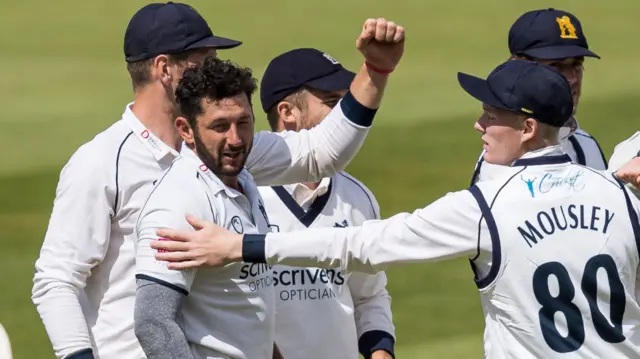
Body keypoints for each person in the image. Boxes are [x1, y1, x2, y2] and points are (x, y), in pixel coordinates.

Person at [150, 60, 640, 359]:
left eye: (492, 114)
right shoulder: (621, 194)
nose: (479, 124)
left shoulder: (486, 207)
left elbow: (365, 244)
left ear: (528, 128)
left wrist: (244, 246)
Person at [30, 2, 392, 358]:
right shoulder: (102, 161)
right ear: (164, 68)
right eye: (203, 60)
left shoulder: (227, 149)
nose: (215, 69)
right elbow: (56, 281)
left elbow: (319, 154)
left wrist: (375, 71)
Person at [134, 18, 405, 359]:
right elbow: (153, 324)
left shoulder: (244, 179)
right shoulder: (179, 203)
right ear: (186, 130)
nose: (234, 140)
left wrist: (377, 70)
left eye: (243, 124)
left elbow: (248, 317)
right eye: (219, 127)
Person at [258, 47, 395, 359]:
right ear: (287, 112)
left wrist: (381, 352)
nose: (345, 115)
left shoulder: (358, 197)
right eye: (333, 103)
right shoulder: (245, 198)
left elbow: (369, 295)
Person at [470, 8, 607, 185]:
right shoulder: (501, 157)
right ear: (519, 66)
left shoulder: (586, 145)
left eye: (576, 64)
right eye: (556, 65)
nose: (572, 78)